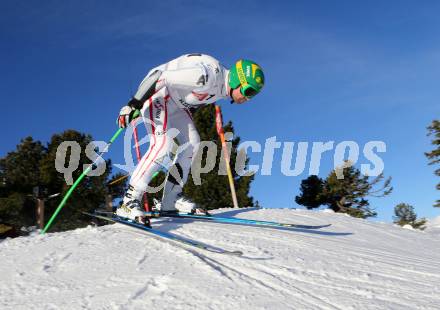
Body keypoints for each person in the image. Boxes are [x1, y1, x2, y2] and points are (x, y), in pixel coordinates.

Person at [116, 53, 264, 223]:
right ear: (238, 80)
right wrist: (133, 104)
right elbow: (159, 76)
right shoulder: (206, 76)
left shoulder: (222, 89)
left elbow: (193, 98)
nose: (248, 98)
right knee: (163, 145)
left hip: (176, 106)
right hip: (157, 95)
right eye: (249, 91)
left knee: (192, 145)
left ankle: (169, 201)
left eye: (253, 95)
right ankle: (129, 201)